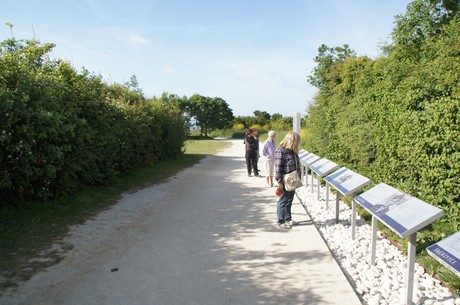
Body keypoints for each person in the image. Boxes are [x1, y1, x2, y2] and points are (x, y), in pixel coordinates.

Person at [274, 131, 301, 229]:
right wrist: (280, 182)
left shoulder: (292, 151)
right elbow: (278, 168)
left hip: (293, 180)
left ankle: (288, 218)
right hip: (285, 180)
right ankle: (280, 221)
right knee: (283, 200)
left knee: (289, 199)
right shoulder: (281, 151)